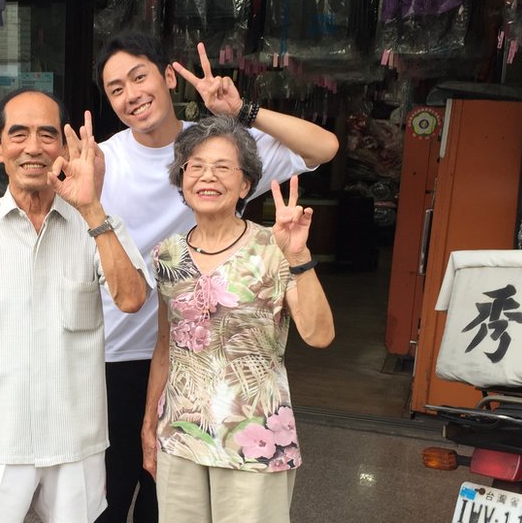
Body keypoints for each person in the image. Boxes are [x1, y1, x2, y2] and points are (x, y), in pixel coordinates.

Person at [93, 31, 339, 523]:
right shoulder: (102, 161)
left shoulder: (219, 143)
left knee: (163, 504)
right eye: (116, 88)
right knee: (109, 498)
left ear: (168, 76)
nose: (131, 95)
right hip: (119, 353)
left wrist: (242, 110)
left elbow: (325, 146)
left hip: (216, 373)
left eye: (140, 77)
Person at [0, 88, 152, 523]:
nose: (33, 147)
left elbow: (132, 299)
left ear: (65, 149)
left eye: (47, 135)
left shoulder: (100, 226)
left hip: (75, 442)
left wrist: (92, 209)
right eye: (19, 134)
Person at [144, 115, 335, 522]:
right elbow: (165, 345)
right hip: (181, 436)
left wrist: (299, 257)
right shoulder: (167, 255)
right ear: (181, 178)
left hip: (254, 438)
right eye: (195, 166)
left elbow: (319, 336)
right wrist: (149, 424)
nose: (207, 176)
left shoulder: (273, 246)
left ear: (246, 184)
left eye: (222, 167)